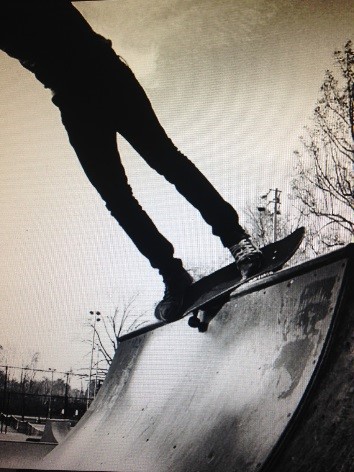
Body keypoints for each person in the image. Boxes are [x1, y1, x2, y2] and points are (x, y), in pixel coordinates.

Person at [1, 1, 261, 322]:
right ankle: (173, 275)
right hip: (72, 101)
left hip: (108, 76)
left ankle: (237, 240)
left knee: (166, 160)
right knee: (116, 198)